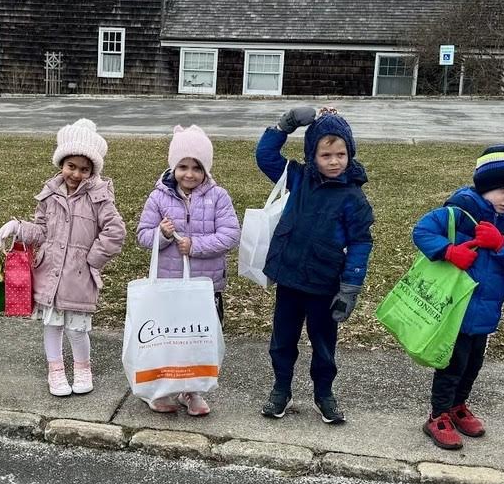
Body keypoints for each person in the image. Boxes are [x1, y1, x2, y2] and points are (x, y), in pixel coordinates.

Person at [412, 145, 504, 450]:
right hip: (455, 308)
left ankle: (458, 405)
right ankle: (438, 415)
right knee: (452, 364)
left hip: (485, 310)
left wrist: (502, 244)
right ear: (484, 185)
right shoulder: (458, 212)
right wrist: (449, 252)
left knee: (473, 364)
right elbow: (423, 231)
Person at [256, 106, 373, 424]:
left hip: (326, 285)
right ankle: (281, 388)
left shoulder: (353, 198)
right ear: (312, 155)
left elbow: (361, 242)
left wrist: (350, 287)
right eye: (326, 155)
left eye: (341, 154)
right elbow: (265, 156)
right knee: (282, 340)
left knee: (323, 344)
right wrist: (286, 124)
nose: (334, 161)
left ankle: (324, 393)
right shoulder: (298, 177)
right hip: (291, 280)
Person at [0, 119, 126, 397]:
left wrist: (93, 259)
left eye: (84, 169)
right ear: (61, 164)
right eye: (71, 166)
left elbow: (115, 231)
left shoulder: (99, 198)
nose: (76, 174)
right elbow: (42, 230)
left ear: (92, 171)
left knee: (78, 329)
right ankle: (55, 370)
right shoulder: (50, 195)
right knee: (52, 325)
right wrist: (19, 227)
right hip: (50, 273)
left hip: (79, 277)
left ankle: (82, 368)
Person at [135, 124, 239, 416]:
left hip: (206, 286)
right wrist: (164, 235)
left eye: (197, 167)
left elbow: (230, 235)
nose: (189, 174)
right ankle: (162, 389)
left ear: (206, 169)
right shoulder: (158, 197)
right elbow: (143, 237)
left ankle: (192, 391)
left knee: (199, 339)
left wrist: (195, 246)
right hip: (168, 287)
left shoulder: (219, 196)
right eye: (183, 166)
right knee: (168, 339)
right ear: (173, 166)